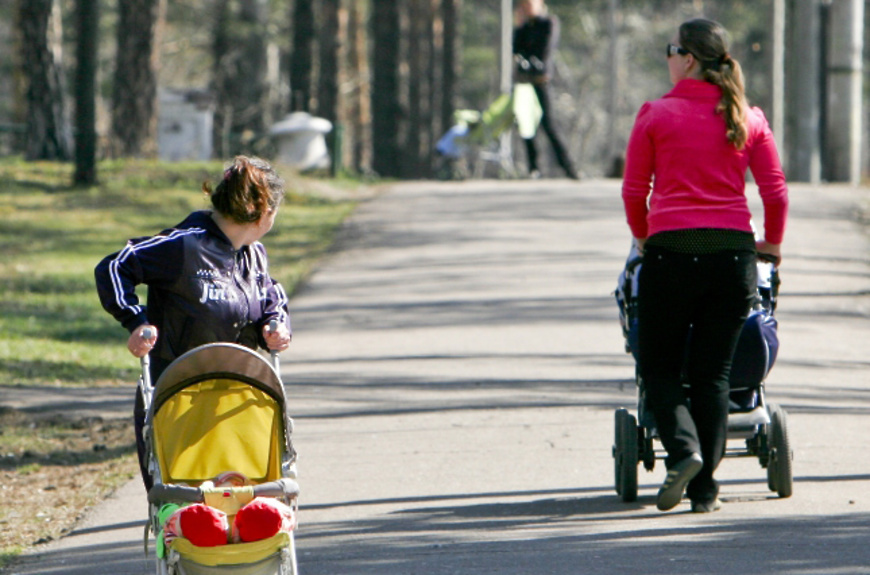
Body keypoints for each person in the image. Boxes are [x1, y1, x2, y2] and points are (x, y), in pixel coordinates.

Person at [621, 19, 788, 513]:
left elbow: (634, 191)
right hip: (732, 256)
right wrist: (771, 245)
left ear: (689, 59)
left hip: (672, 252)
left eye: (671, 50)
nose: (668, 58)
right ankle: (704, 492)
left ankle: (684, 452)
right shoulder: (747, 117)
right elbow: (775, 193)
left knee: (659, 366)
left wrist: (644, 235)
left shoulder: (655, 114)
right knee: (714, 375)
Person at [95, 155, 293, 490]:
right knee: (183, 497)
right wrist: (135, 320)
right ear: (264, 211)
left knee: (244, 493)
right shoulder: (184, 245)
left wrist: (275, 325)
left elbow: (271, 295)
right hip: (177, 397)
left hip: (237, 399)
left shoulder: (254, 254)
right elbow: (115, 266)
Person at [513, 0, 579, 180]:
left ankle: (568, 166)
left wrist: (533, 62)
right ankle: (533, 167)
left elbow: (545, 50)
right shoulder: (524, 27)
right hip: (525, 82)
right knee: (526, 123)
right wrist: (519, 27)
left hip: (541, 81)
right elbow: (516, 50)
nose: (527, 7)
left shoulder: (549, 23)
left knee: (548, 124)